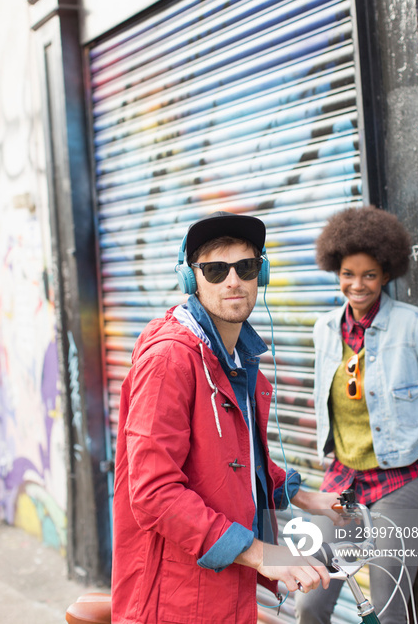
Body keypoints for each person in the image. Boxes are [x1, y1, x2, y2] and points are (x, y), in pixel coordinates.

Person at [111, 211, 343, 624]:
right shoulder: (171, 360)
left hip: (225, 584)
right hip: (175, 597)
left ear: (262, 274)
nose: (233, 280)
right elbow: (153, 493)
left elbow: (236, 462)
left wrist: (305, 497)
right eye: (216, 270)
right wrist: (261, 553)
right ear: (191, 280)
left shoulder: (235, 359)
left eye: (246, 266)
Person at [295, 205, 418, 624]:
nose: (358, 284)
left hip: (400, 481)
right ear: (336, 271)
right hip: (343, 483)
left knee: (387, 609)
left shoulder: (412, 325)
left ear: (386, 275)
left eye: (369, 274)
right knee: (308, 600)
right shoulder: (324, 329)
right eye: (349, 273)